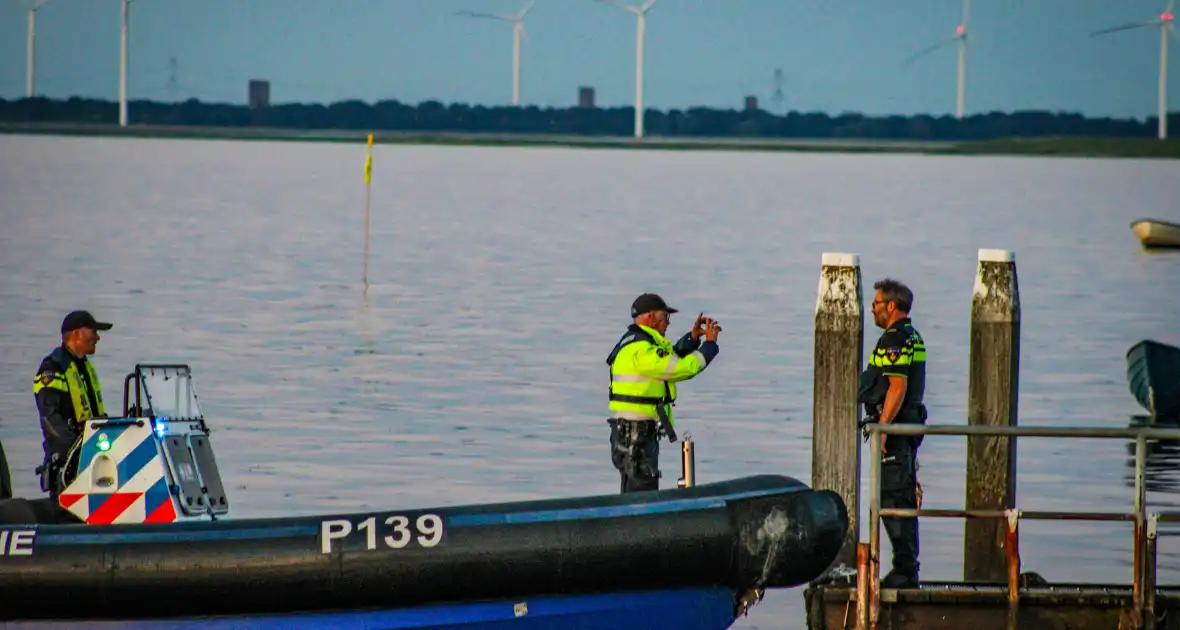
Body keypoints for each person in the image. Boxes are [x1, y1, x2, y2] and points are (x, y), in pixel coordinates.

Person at [605, 293, 721, 493]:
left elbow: (670, 357)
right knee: (641, 493)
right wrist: (710, 345)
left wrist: (693, 339)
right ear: (651, 317)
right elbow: (682, 368)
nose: (667, 323)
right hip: (637, 435)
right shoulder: (642, 350)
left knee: (636, 489)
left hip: (631, 433)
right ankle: (638, 524)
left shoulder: (638, 344)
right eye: (666, 317)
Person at [859, 278, 927, 589]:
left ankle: (904, 571)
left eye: (875, 304)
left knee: (893, 498)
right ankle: (906, 569)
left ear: (890, 306)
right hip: (906, 433)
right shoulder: (913, 336)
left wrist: (883, 430)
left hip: (896, 435)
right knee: (899, 497)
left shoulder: (894, 339)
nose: (872, 310)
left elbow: (897, 387)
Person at [32, 310, 113, 499]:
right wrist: (76, 450)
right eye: (93, 331)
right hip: (67, 464)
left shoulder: (84, 367)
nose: (97, 337)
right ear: (76, 334)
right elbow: (49, 418)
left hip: (91, 458)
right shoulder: (52, 369)